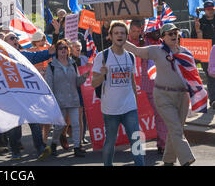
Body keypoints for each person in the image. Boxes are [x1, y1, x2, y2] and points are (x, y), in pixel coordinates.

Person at [124, 23, 196, 166]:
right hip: (163, 95)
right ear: (163, 37)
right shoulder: (156, 50)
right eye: (170, 34)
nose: (174, 36)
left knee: (176, 128)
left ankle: (168, 159)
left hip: (182, 96)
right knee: (175, 127)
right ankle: (186, 158)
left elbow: (192, 76)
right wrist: (119, 38)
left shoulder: (186, 53)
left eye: (176, 33)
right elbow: (136, 50)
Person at [92, 21, 145, 166]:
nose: (119, 35)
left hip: (129, 107)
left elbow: (132, 80)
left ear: (127, 36)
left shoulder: (131, 56)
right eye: (116, 33)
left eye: (122, 33)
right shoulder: (102, 57)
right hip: (110, 109)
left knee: (136, 140)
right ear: (110, 36)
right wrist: (102, 75)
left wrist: (135, 100)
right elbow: (93, 83)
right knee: (110, 141)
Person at [4, 32, 56, 161]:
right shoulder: (0, 58)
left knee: (34, 121)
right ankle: (15, 151)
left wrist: (54, 35)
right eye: (12, 38)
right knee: (15, 126)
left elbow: (42, 54)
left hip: (27, 95)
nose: (15, 40)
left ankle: (40, 149)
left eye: (16, 38)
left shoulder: (23, 55)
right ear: (5, 43)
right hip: (12, 97)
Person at [130, 20, 168, 154]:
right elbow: (133, 48)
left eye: (159, 29)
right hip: (151, 85)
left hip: (167, 84)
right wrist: (139, 35)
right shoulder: (143, 40)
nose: (156, 32)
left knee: (163, 114)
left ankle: (162, 141)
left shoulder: (165, 41)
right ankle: (164, 144)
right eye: (154, 29)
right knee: (160, 113)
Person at [46, 39, 89, 157]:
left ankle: (76, 147)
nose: (63, 50)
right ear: (56, 51)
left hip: (73, 99)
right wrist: (52, 101)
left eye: (65, 48)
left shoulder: (73, 64)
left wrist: (84, 77)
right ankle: (54, 144)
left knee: (75, 124)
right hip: (60, 101)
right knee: (59, 126)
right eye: (61, 48)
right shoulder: (51, 66)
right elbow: (49, 85)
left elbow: (77, 82)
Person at [193, 0, 215, 109]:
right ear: (204, 10)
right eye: (208, 9)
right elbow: (194, 41)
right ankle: (213, 100)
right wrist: (197, 30)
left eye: (212, 9)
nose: (210, 11)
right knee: (210, 77)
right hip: (207, 54)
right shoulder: (199, 22)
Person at [70, 40, 90, 146]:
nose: (77, 48)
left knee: (82, 114)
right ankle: (71, 135)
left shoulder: (84, 59)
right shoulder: (68, 60)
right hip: (72, 90)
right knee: (73, 116)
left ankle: (81, 138)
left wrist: (89, 66)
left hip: (83, 89)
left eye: (79, 46)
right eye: (74, 46)